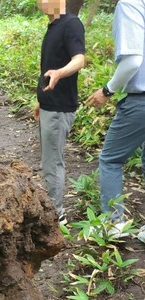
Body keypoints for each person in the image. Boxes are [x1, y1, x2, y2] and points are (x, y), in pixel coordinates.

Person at [87, 0, 145, 224]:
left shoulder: (130, 4)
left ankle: (113, 224)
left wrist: (107, 90)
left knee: (111, 159)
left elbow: (132, 61)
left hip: (140, 100)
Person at [34, 0, 85, 225]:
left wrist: (60, 73)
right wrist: (40, 99)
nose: (42, 2)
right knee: (49, 160)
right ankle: (52, 208)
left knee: (53, 162)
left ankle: (56, 215)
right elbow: (49, 66)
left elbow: (79, 59)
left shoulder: (71, 24)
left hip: (59, 107)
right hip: (49, 104)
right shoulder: (54, 26)